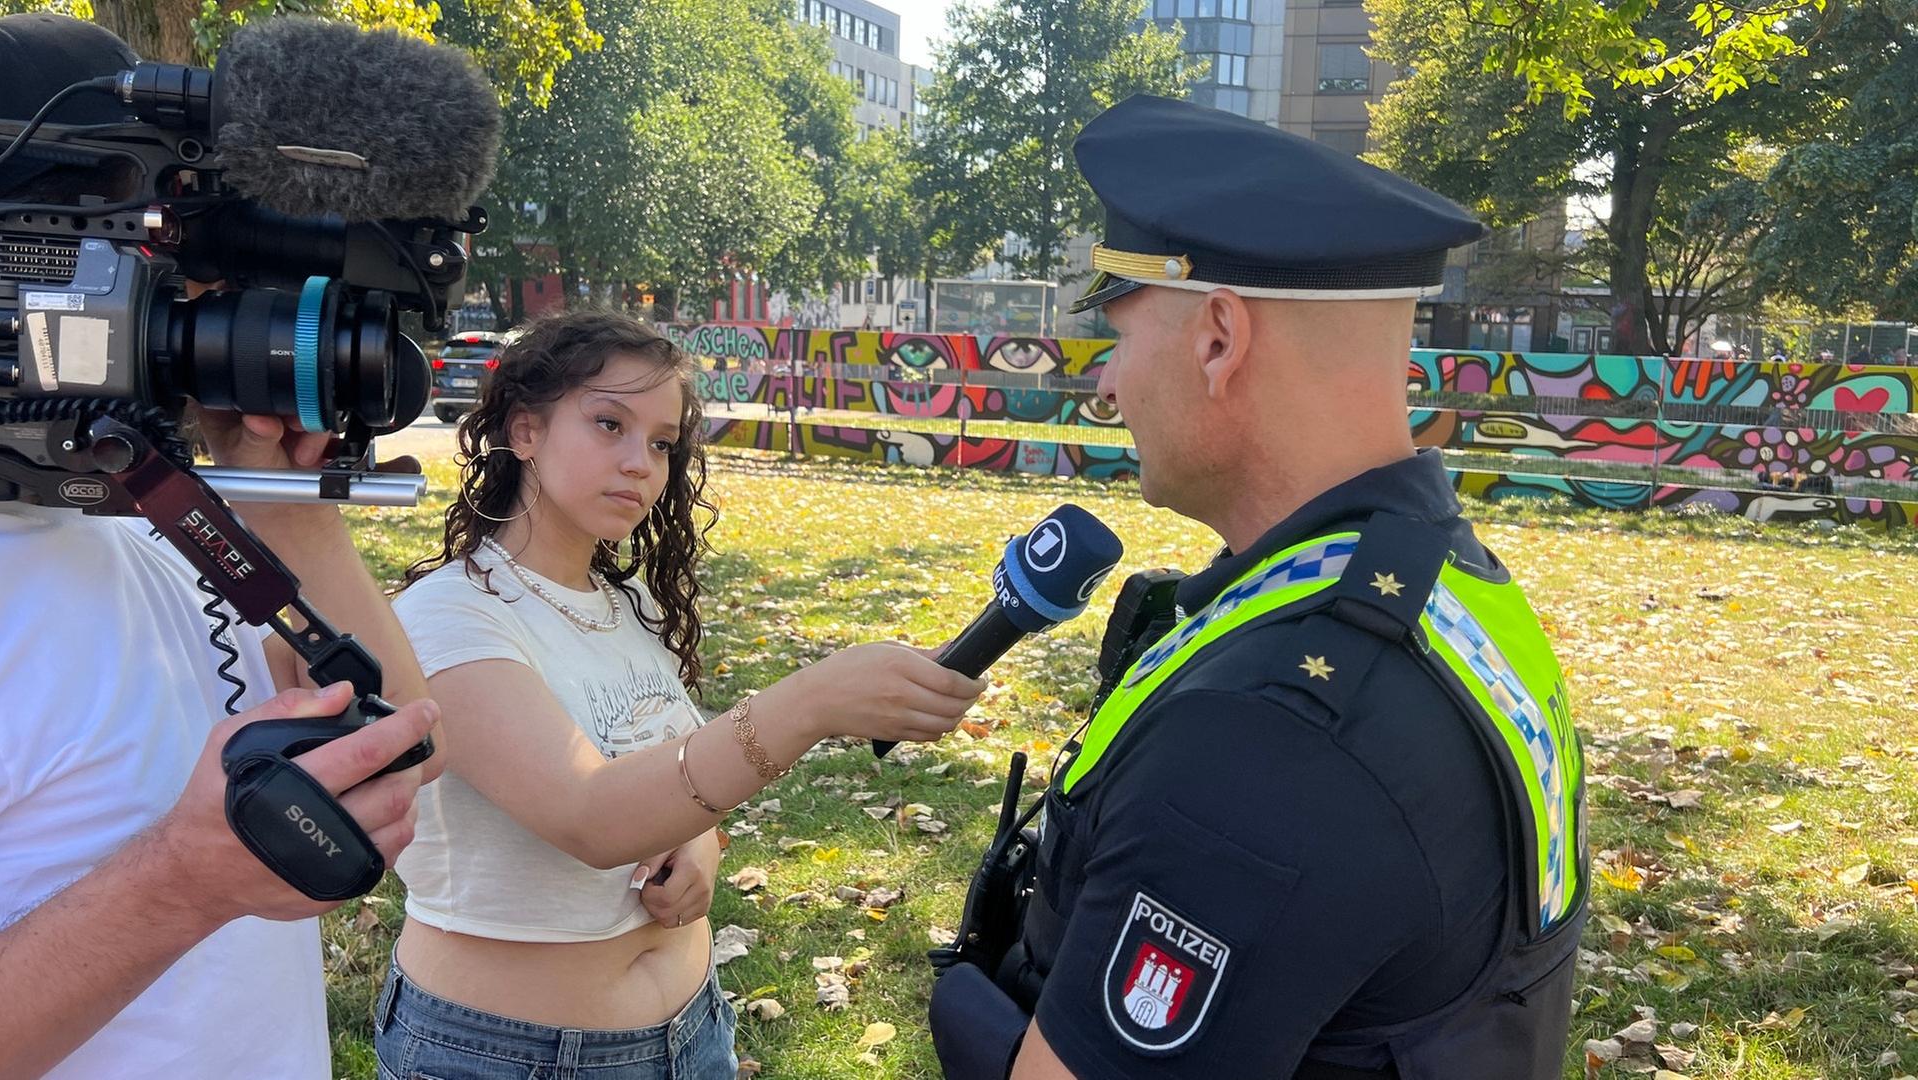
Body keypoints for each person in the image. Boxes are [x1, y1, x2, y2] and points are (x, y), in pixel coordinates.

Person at [926, 95, 1588, 1080]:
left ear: (1219, 338)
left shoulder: (1267, 736)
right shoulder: (1435, 569)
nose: (1106, 386)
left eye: (1120, 334)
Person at [375, 310, 985, 1079]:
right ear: (525, 432)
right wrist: (810, 705)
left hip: (694, 1031)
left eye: (661, 443)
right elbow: (590, 815)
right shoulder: (446, 615)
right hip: (509, 1054)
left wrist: (698, 844)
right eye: (609, 424)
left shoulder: (632, 604)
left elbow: (667, 773)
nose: (640, 463)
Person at [0, 19, 439, 1080]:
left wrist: (289, 497)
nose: (176, 298)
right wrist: (181, 884)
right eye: (120, 240)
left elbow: (410, 739)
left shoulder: (133, 503)